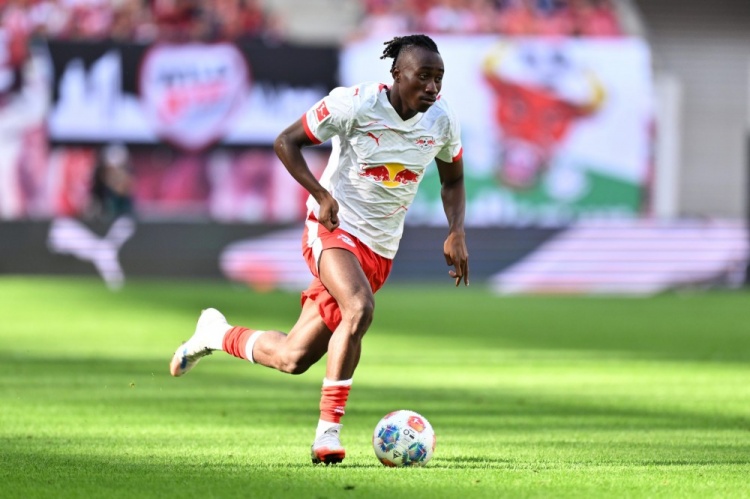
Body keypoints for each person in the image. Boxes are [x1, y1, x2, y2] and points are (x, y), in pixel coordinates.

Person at [169, 34, 469, 465]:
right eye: (423, 76)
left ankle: (214, 334)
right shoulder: (355, 104)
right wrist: (321, 194)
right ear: (397, 74)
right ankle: (327, 435)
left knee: (293, 357)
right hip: (332, 229)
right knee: (359, 308)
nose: (432, 87)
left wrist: (456, 231)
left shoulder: (441, 119)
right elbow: (286, 141)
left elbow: (453, 180)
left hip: (380, 250)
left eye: (438, 78)